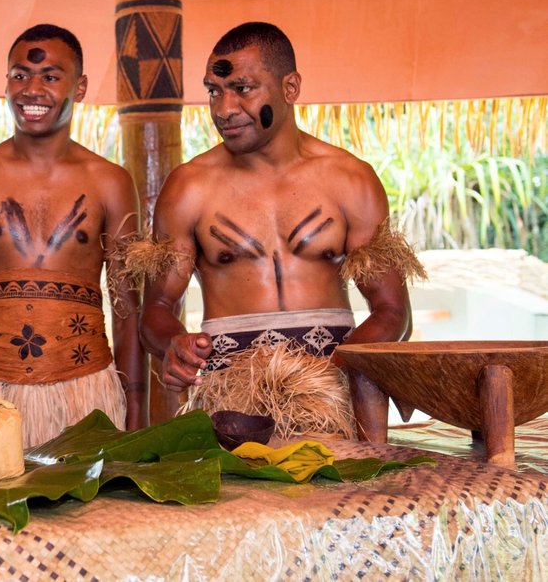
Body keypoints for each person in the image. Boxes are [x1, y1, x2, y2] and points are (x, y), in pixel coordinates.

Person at [140, 22, 422, 441]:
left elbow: (393, 313)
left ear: (290, 87)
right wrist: (174, 345)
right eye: (214, 91)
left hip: (335, 398)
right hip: (230, 404)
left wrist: (327, 375)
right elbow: (157, 309)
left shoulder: (349, 180)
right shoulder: (189, 188)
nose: (224, 109)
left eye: (243, 88)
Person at [0, 24, 148, 448]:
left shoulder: (111, 182)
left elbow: (127, 309)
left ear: (80, 88)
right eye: (19, 75)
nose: (31, 89)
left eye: (50, 77)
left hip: (86, 397)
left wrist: (135, 419)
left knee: (89, 516)